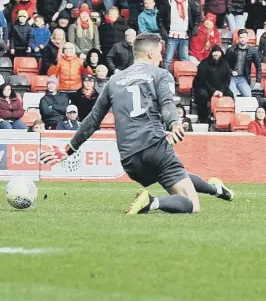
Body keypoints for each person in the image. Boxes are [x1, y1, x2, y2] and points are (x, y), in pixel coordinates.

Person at [41, 34, 235, 215]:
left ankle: (216, 189)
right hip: (154, 146)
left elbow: (92, 120)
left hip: (129, 159)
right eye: (159, 52)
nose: (161, 56)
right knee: (192, 204)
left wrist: (68, 150)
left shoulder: (114, 80)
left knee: (172, 174)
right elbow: (167, 104)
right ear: (151, 53)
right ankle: (151, 202)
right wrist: (174, 123)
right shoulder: (160, 74)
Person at [193, 45, 233, 123]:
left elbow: (227, 80)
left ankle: (226, 120)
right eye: (214, 52)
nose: (216, 54)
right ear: (211, 53)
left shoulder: (225, 64)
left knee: (230, 95)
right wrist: (213, 91)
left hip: (220, 88)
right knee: (202, 95)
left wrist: (221, 90)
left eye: (218, 52)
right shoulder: (204, 63)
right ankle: (203, 118)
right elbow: (202, 80)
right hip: (205, 87)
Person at [225, 28, 262, 97]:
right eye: (241, 37)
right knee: (232, 95)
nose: (243, 39)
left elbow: (258, 66)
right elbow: (224, 64)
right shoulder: (231, 50)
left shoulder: (253, 51)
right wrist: (231, 71)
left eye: (244, 37)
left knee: (248, 96)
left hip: (243, 78)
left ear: (247, 38)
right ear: (238, 38)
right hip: (231, 78)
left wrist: (258, 81)